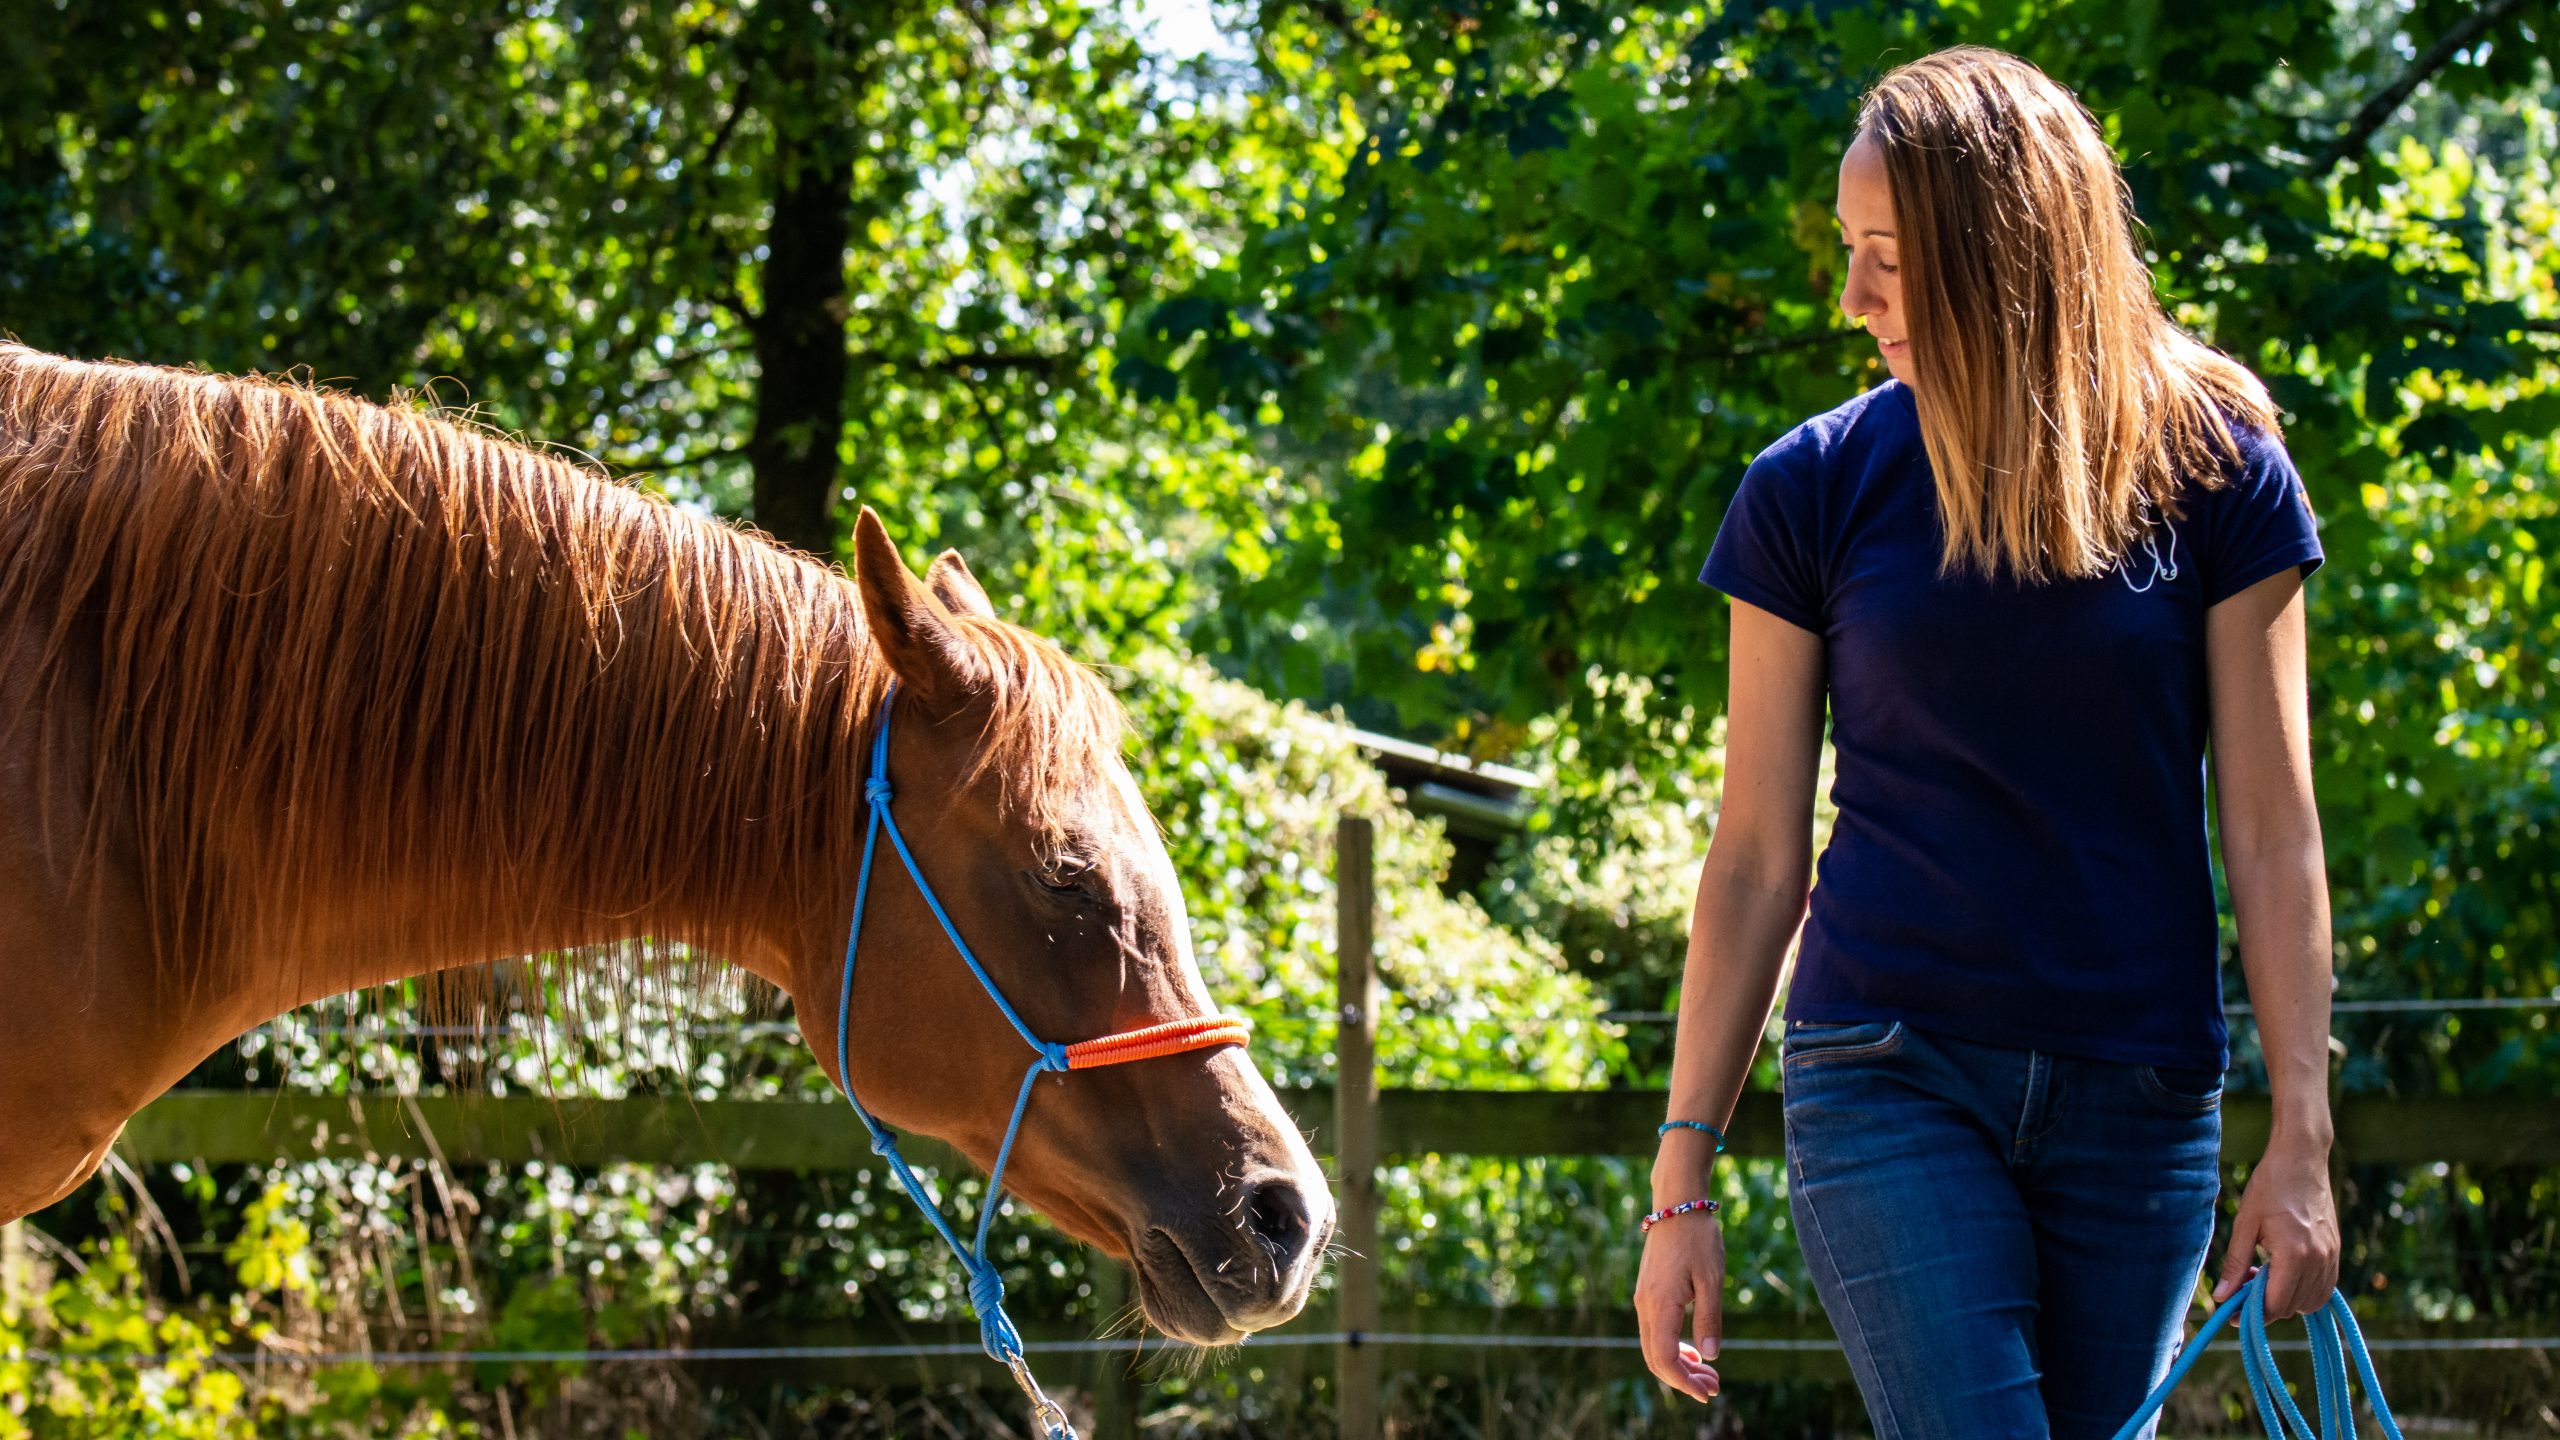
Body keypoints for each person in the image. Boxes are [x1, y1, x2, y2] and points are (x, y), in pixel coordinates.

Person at [1630, 45, 2341, 1440]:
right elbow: (1758, 856)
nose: (1852, 298)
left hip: (2141, 1097)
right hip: (1886, 1073)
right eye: (1851, 253)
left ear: (2001, 249)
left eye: (1888, 258)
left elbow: (2274, 832)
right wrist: (1682, 1180)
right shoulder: (1809, 490)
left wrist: (2304, 1135)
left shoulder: (2222, 476)